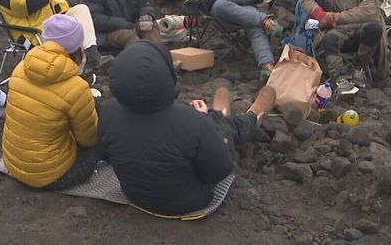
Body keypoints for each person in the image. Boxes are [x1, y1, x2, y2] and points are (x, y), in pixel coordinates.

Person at [97, 40, 275, 216]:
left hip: (135, 195)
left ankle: (221, 115)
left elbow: (107, 154)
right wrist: (204, 120)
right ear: (167, 76)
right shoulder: (193, 122)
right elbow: (220, 170)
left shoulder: (108, 112)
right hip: (188, 202)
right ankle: (250, 117)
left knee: (207, 124)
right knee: (224, 128)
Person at [2, 14, 99, 189]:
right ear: (78, 49)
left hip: (14, 165)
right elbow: (88, 140)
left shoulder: (20, 68)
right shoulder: (77, 88)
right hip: (51, 175)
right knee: (98, 138)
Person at [299, 0, 390, 93]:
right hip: (340, 30)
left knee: (374, 29)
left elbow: (369, 11)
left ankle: (359, 67)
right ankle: (340, 78)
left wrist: (335, 17)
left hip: (360, 28)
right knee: (329, 39)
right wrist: (319, 13)